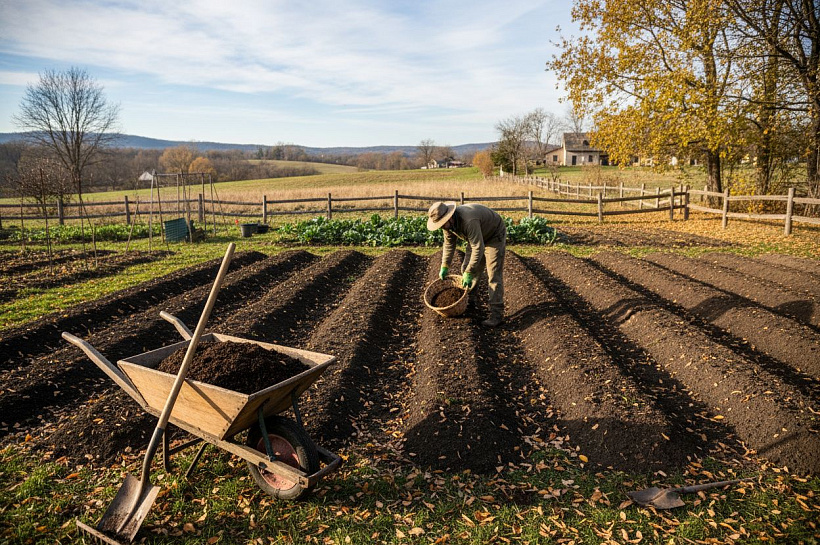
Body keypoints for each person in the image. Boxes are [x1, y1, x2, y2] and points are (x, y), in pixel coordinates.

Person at [426, 201, 506, 327]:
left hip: (493, 235)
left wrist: (470, 271)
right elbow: (448, 244)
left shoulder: (468, 220)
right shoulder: (448, 225)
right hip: (475, 238)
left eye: (443, 224)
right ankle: (469, 303)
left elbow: (478, 248)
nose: (442, 227)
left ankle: (496, 315)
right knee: (466, 269)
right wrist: (444, 266)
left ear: (450, 217)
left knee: (493, 275)